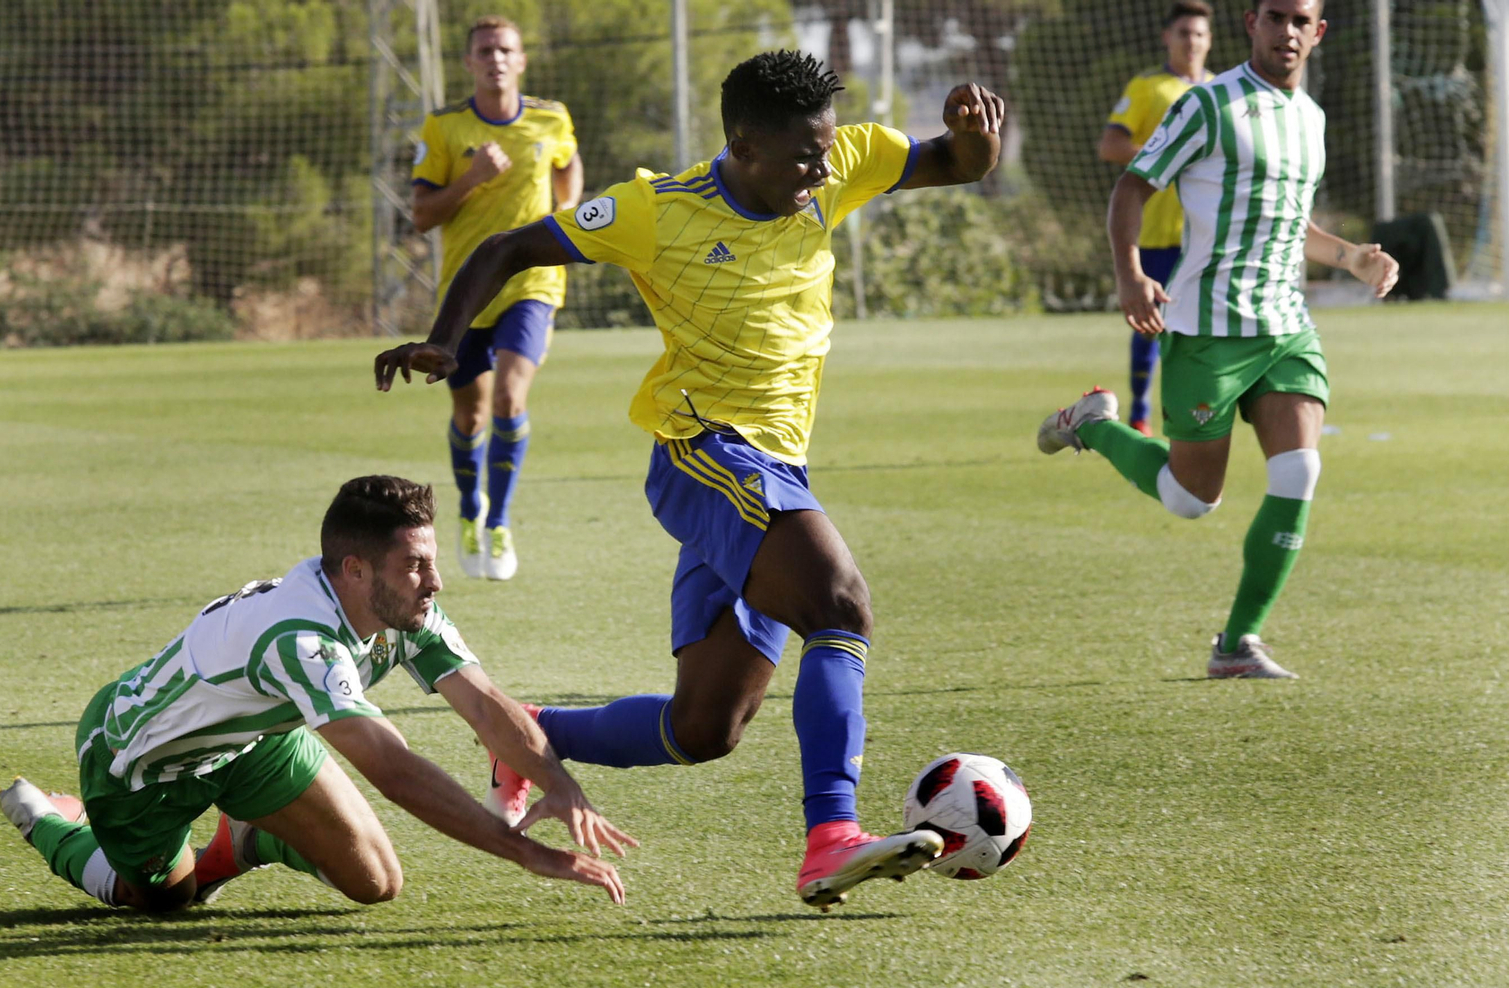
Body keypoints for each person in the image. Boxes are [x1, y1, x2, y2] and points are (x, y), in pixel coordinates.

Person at [373, 51, 1005, 911]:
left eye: (825, 152)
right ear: (743, 146)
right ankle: (832, 836)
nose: (821, 172)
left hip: (774, 466)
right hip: (702, 451)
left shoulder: (842, 160)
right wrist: (448, 338)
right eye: (801, 157)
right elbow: (511, 243)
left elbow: (951, 165)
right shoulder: (654, 210)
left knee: (704, 729)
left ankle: (525, 735)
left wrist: (975, 142)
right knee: (841, 604)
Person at [0, 475, 634, 912]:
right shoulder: (300, 639)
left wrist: (560, 785)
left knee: (377, 884)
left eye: (431, 561)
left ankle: (246, 837)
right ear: (354, 570)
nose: (435, 580)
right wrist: (526, 854)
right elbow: (395, 771)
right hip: (141, 763)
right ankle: (53, 822)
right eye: (416, 565)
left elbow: (486, 704)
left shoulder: (403, 608)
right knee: (164, 902)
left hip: (253, 743)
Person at [1039, 0, 1399, 679]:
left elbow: (1293, 223)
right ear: (1250, 24)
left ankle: (1237, 644)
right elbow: (1130, 188)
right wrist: (1130, 274)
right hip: (1208, 329)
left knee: (1300, 470)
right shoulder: (1208, 106)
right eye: (1274, 17)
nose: (1286, 32)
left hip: (1286, 329)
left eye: (1300, 20)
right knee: (1190, 499)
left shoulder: (1313, 118)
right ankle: (1093, 424)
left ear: (1318, 32)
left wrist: (1351, 256)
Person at [411, 15, 584, 581]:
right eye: (485, 51)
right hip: (466, 291)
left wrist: (567, 210)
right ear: (468, 63)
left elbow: (567, 162)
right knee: (471, 413)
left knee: (510, 398)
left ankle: (500, 523)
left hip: (533, 284)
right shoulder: (444, 129)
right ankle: (469, 509)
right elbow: (420, 216)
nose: (496, 59)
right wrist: (472, 179)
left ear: (522, 59)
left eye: (506, 49)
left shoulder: (550, 117)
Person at [1098, 0, 1214, 435]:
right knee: (1150, 326)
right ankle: (1140, 415)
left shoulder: (1223, 90)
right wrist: (1163, 160)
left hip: (1206, 239)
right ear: (1167, 37)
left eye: (1200, 33)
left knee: (1204, 330)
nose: (1192, 41)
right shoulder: (1149, 87)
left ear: (1210, 40)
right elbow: (1110, 146)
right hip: (1156, 235)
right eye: (1184, 32)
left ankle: (1197, 415)